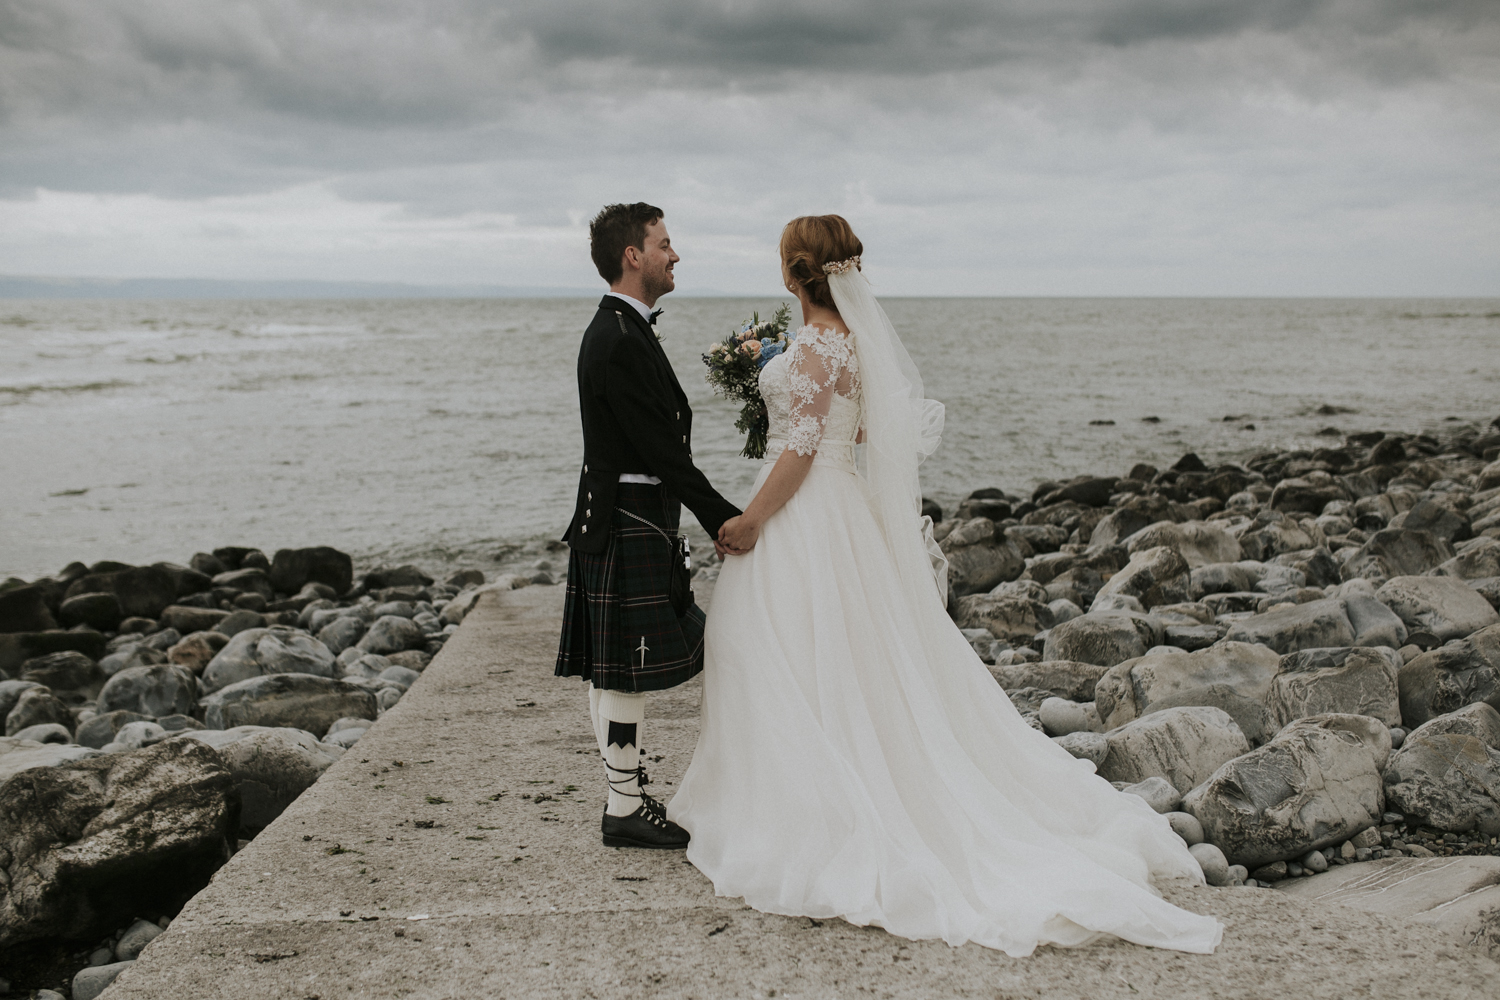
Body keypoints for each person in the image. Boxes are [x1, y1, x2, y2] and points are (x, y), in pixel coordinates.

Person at [667, 214, 1223, 956]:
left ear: (793, 272)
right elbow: (859, 434)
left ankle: (804, 809)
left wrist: (750, 522)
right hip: (847, 513)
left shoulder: (811, 347)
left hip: (805, 514)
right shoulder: (853, 344)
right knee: (855, 659)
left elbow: (799, 451)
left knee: (779, 651)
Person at [555, 202, 752, 850]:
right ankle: (623, 806)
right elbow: (662, 451)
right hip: (626, 520)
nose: (676, 255)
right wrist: (727, 517)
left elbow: (657, 447)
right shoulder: (615, 337)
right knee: (619, 674)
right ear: (632, 256)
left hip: (628, 517)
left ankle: (624, 796)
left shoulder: (624, 329)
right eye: (665, 243)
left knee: (614, 672)